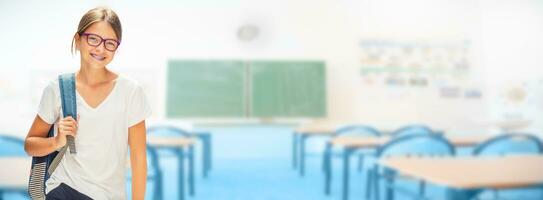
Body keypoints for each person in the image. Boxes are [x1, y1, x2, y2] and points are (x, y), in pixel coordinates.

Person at [24, 7, 150, 200]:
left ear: (117, 47)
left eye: (110, 43)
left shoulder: (130, 91)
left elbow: (138, 157)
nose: (100, 48)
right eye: (93, 39)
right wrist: (57, 141)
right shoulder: (58, 88)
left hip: (110, 195)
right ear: (78, 39)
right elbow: (30, 145)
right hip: (63, 189)